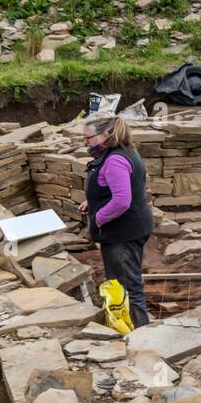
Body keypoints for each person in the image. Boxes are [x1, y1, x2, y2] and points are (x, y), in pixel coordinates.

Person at [78, 114, 153, 329]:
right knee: (128, 279)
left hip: (123, 233)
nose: (85, 143)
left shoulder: (114, 160)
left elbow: (121, 201)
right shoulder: (125, 150)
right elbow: (118, 187)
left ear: (106, 134)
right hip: (133, 226)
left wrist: (98, 219)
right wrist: (92, 202)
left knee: (128, 286)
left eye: (88, 138)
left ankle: (141, 334)